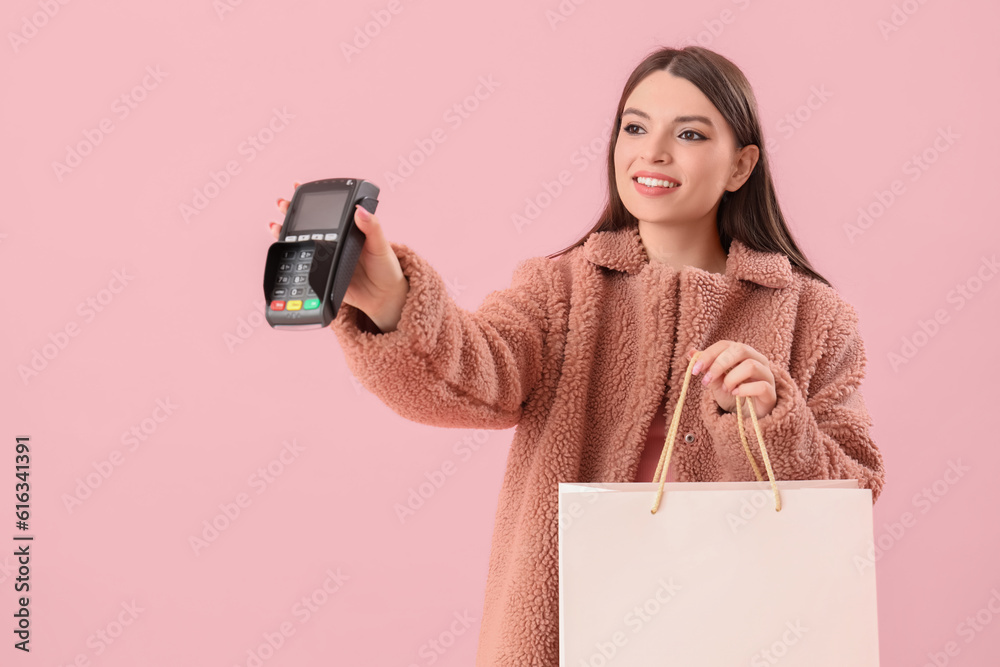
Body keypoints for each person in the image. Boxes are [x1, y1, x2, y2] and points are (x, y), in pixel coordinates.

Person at [266, 45, 886, 667]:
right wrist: (392, 298)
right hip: (567, 639)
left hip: (743, 635)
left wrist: (773, 419)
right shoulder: (562, 290)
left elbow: (852, 494)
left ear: (741, 166)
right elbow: (477, 375)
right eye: (635, 128)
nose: (653, 153)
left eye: (690, 133)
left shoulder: (813, 318)